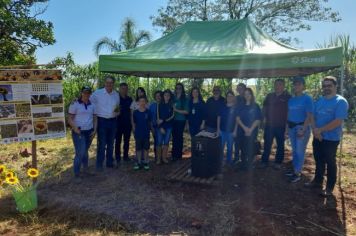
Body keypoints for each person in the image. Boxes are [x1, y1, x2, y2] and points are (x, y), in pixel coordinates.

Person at [305, 76, 348, 197]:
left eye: (329, 85)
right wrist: (314, 130)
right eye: (324, 86)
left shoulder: (340, 101)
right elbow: (312, 116)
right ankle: (317, 182)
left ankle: (329, 187)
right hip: (317, 137)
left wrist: (320, 130)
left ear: (335, 86)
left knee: (330, 162)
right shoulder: (319, 100)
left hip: (331, 139)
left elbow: (338, 121)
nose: (326, 88)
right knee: (318, 160)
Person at [285, 76, 313, 183]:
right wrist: (287, 129)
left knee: (300, 151)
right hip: (292, 127)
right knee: (295, 151)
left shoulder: (307, 99)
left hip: (301, 127)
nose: (296, 86)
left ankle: (297, 173)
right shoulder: (291, 100)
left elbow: (309, 115)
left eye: (299, 84)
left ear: (303, 86)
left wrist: (304, 129)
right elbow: (289, 114)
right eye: (295, 84)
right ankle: (295, 170)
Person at [90, 76, 120, 171]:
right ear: (105, 83)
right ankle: (99, 165)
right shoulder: (97, 93)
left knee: (111, 143)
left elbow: (117, 107)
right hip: (102, 121)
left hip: (113, 121)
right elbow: (87, 100)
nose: (109, 84)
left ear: (113, 84)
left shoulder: (116, 94)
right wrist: (77, 100)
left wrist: (118, 112)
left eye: (111, 82)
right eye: (107, 82)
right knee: (102, 144)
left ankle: (109, 163)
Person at [68, 86, 97, 181]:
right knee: (80, 152)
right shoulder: (75, 103)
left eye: (88, 93)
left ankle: (85, 170)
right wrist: (75, 128)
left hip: (89, 131)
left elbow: (95, 118)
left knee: (85, 151)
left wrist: (95, 130)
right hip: (79, 132)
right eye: (85, 92)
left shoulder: (92, 105)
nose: (86, 94)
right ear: (81, 93)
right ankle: (76, 174)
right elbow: (70, 118)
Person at [260, 79, 291, 169]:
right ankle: (264, 161)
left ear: (283, 86)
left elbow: (290, 112)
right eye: (276, 84)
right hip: (269, 125)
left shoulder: (288, 97)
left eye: (280, 84)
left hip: (281, 126)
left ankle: (278, 162)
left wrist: (287, 128)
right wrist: (262, 121)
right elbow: (264, 109)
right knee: (267, 144)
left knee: (280, 145)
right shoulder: (269, 96)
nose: (278, 86)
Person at [235, 88, 262, 170]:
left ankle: (250, 165)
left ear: (251, 95)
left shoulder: (256, 106)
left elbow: (258, 119)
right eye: (245, 94)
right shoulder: (240, 106)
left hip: (252, 132)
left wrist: (250, 129)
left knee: (250, 149)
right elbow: (237, 119)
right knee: (242, 148)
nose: (247, 96)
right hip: (242, 131)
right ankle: (243, 164)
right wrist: (245, 128)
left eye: (248, 94)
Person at [132, 96, 152, 170]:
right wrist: (134, 131)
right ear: (138, 103)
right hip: (138, 134)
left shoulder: (148, 112)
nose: (142, 103)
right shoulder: (135, 112)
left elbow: (150, 122)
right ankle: (139, 162)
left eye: (144, 101)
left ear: (146, 102)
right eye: (141, 101)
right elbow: (134, 123)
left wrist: (150, 131)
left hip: (146, 133)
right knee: (138, 149)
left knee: (146, 148)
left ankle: (145, 162)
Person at [217, 91, 237, 165]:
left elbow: (237, 120)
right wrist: (218, 129)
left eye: (231, 96)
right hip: (222, 131)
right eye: (228, 96)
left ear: (233, 97)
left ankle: (229, 161)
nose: (229, 97)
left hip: (231, 132)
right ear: (226, 97)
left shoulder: (235, 108)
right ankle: (220, 161)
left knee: (230, 148)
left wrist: (235, 131)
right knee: (221, 147)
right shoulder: (223, 106)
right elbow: (219, 117)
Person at [115, 82, 133, 164]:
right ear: (119, 89)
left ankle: (126, 156)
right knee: (118, 141)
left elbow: (132, 112)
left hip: (128, 124)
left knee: (127, 141)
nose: (124, 90)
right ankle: (117, 157)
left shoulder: (130, 99)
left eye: (126, 89)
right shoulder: (116, 98)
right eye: (122, 88)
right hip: (118, 124)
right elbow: (115, 111)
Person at [172, 83, 189, 161]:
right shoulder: (173, 98)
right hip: (173, 120)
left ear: (182, 89)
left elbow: (186, 111)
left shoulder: (185, 99)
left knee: (179, 138)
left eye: (180, 88)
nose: (178, 89)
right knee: (174, 138)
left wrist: (176, 110)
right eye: (177, 88)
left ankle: (178, 155)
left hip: (181, 120)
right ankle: (174, 154)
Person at [157, 89, 174, 164]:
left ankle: (164, 158)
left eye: (168, 95)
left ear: (170, 97)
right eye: (165, 95)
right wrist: (160, 126)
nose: (166, 96)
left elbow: (172, 116)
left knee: (166, 142)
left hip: (169, 126)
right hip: (160, 127)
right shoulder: (159, 104)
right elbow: (158, 117)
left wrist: (163, 120)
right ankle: (158, 159)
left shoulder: (171, 105)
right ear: (163, 96)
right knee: (159, 143)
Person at [234, 83, 246, 163]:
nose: (240, 90)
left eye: (241, 88)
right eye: (238, 88)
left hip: (246, 125)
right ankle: (236, 158)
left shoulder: (248, 98)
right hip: (236, 125)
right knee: (237, 143)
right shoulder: (236, 98)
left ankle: (244, 160)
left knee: (244, 144)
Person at [149, 90, 162, 161]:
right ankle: (157, 157)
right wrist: (152, 128)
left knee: (162, 142)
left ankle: (162, 156)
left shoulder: (163, 105)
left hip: (163, 127)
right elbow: (150, 118)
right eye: (157, 96)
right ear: (155, 97)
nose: (158, 97)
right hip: (154, 126)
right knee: (156, 142)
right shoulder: (152, 106)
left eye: (159, 96)